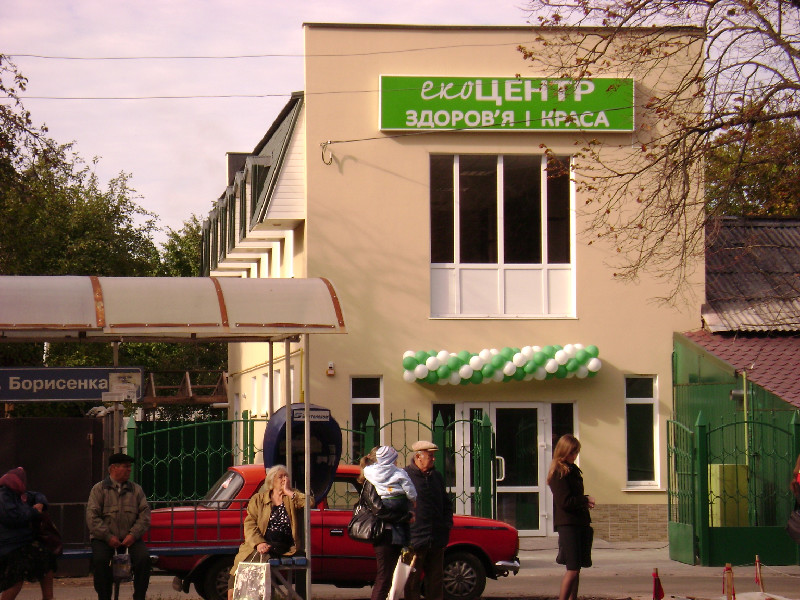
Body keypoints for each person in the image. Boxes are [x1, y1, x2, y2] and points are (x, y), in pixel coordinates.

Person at [228, 464, 306, 600]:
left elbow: (309, 502)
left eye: (286, 476)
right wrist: (259, 543)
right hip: (260, 544)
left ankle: (255, 596)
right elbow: (250, 524)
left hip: (282, 544)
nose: (284, 479)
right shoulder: (258, 499)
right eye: (280, 477)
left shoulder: (292, 497)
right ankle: (235, 595)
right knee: (240, 564)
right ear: (271, 481)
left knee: (258, 558)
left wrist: (288, 492)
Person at [86, 453, 151, 600]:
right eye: (126, 466)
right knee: (101, 561)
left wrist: (133, 535)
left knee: (143, 559)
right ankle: (104, 597)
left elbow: (145, 516)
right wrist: (108, 537)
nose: (129, 470)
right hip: (104, 539)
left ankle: (139, 596)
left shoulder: (136, 490)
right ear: (113, 468)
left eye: (130, 466)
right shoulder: (99, 489)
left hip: (131, 539)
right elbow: (92, 517)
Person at [360, 446, 416, 600]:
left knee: (389, 577)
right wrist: (405, 517)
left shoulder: (389, 480)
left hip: (394, 533)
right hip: (384, 534)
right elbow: (380, 511)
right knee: (384, 577)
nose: (396, 464)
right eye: (394, 460)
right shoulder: (372, 482)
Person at [547, 434, 595, 600]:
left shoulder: (572, 470)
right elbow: (565, 501)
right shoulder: (559, 473)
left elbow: (573, 497)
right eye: (572, 452)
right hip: (568, 525)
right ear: (564, 451)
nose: (575, 456)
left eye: (576, 452)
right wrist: (584, 500)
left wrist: (584, 500)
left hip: (579, 523)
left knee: (577, 568)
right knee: (572, 568)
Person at [403, 441, 453, 600]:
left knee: (435, 582)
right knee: (411, 582)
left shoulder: (436, 476)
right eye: (430, 456)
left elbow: (446, 503)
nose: (433, 459)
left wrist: (446, 525)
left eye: (433, 456)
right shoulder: (405, 476)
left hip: (436, 539)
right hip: (414, 539)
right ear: (418, 457)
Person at [0, 467, 54, 600]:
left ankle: (48, 598)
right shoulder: (3, 497)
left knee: (47, 561)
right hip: (9, 545)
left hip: (22, 543)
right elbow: (13, 518)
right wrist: (34, 512)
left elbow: (37, 495)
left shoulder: (19, 494)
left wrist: (40, 503)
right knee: (16, 579)